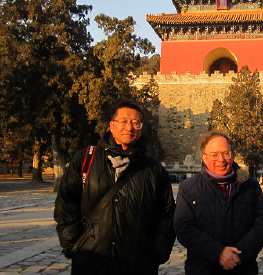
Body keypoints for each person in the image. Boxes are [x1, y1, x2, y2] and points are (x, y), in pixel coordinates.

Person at [54, 101, 176, 275]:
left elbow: (166, 215)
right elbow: (66, 204)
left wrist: (156, 253)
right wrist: (75, 245)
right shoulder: (85, 160)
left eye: (135, 123)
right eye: (124, 121)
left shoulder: (153, 169)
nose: (129, 127)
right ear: (111, 125)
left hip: (138, 262)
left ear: (141, 128)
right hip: (90, 259)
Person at [174, 131, 263, 274]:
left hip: (243, 268)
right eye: (214, 154)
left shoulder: (250, 186)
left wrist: (240, 253)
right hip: (202, 268)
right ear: (204, 158)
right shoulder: (188, 188)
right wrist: (217, 252)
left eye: (226, 153)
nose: (221, 159)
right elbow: (184, 228)